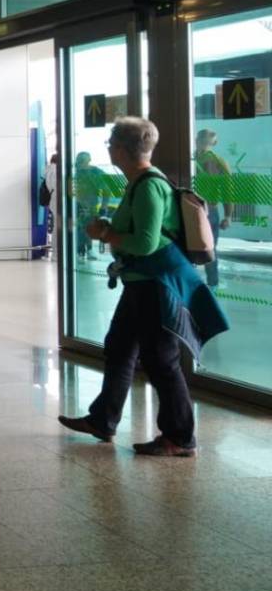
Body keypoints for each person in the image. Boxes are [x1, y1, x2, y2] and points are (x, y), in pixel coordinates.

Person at [59, 117, 228, 457]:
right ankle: (103, 419)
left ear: (122, 148)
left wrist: (105, 234)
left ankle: (180, 437)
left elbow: (147, 242)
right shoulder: (137, 183)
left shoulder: (149, 185)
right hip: (140, 283)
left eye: (111, 142)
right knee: (120, 348)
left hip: (156, 285)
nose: (108, 148)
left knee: (161, 359)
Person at [194, 129, 232, 287]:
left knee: (187, 247)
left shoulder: (187, 159)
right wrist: (228, 216)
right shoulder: (220, 162)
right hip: (209, 210)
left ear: (196, 139)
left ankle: (191, 283)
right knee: (210, 249)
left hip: (188, 209)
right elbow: (227, 192)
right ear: (214, 143)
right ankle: (212, 285)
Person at [74, 151, 112, 260]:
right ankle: (81, 251)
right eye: (79, 161)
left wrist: (104, 207)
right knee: (80, 228)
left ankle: (88, 250)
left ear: (88, 160)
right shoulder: (75, 172)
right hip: (76, 205)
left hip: (91, 206)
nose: (80, 164)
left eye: (82, 161)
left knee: (87, 228)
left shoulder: (96, 172)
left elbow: (106, 190)